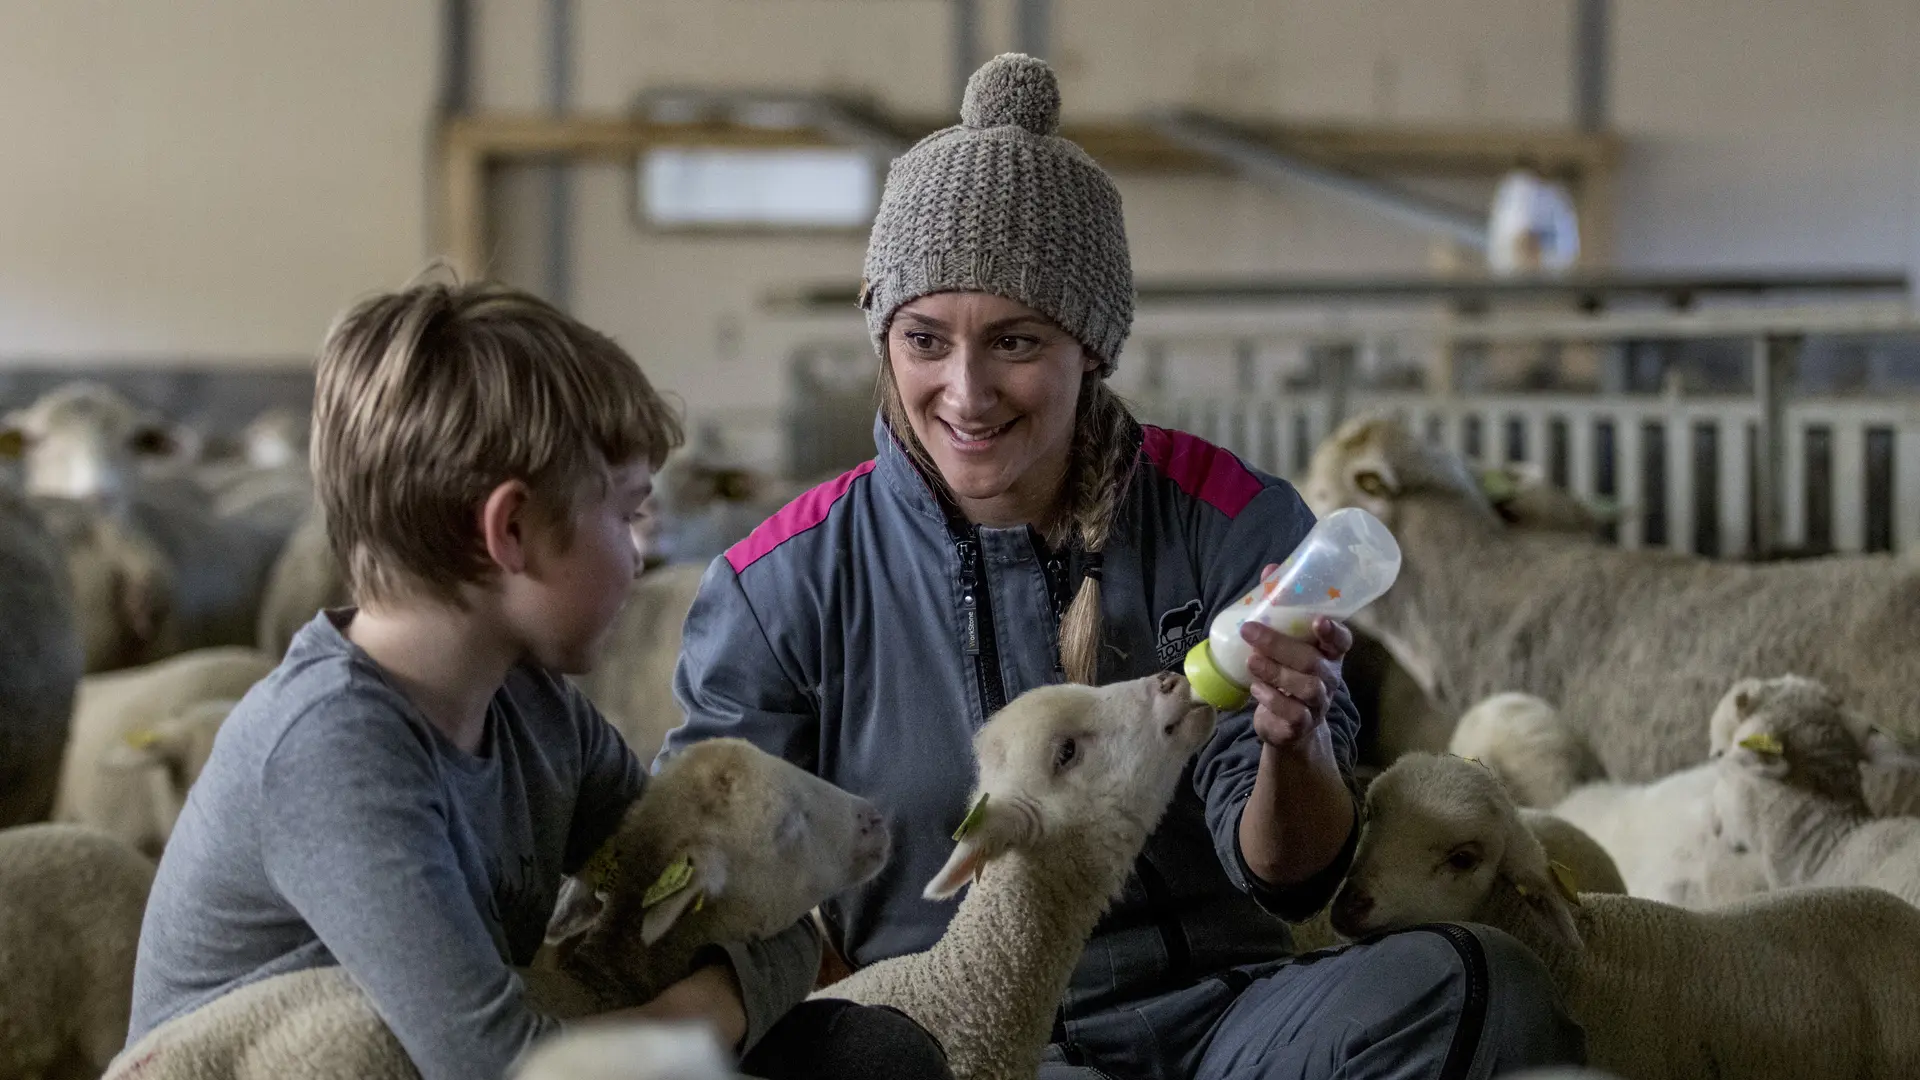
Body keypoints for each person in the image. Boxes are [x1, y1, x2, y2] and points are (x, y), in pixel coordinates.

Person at [665, 54, 1589, 1079]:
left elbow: (1290, 879)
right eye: (925, 340)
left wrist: (1297, 740)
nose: (965, 391)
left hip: (1225, 1024)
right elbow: (720, 872)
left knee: (1468, 981)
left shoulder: (1227, 520)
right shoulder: (781, 584)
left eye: (1015, 341)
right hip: (956, 1037)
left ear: (1090, 349)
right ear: (884, 339)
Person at [123, 280, 937, 1080]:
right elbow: (495, 1066)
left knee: (875, 1055)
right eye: (624, 514)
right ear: (511, 530)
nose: (638, 554)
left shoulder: (536, 711)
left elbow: (735, 902)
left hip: (513, 1051)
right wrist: (684, 1025)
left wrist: (701, 1009)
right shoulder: (331, 749)